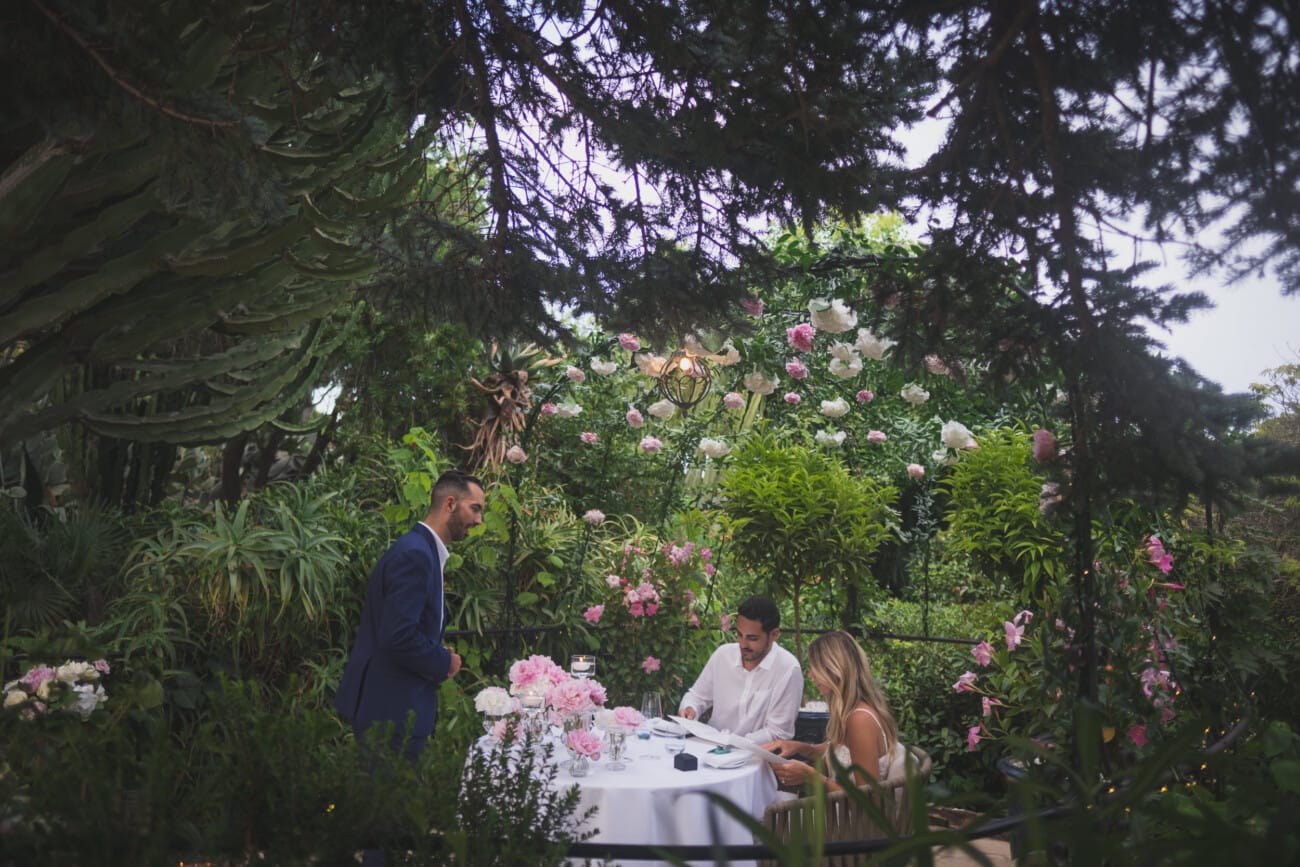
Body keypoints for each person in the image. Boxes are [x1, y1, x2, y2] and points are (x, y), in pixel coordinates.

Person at [335, 468, 485, 761]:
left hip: (391, 709)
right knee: (390, 805)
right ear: (450, 504)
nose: (479, 520)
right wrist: (444, 661)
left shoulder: (419, 549)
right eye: (475, 509)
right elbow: (398, 636)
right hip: (390, 712)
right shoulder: (416, 555)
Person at [763, 630, 903, 790]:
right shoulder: (852, 710)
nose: (810, 675)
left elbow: (869, 802)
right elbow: (842, 752)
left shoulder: (860, 720)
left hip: (850, 814)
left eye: (815, 668)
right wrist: (800, 747)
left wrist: (811, 776)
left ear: (834, 669)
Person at [678, 595, 803, 744]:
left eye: (752, 638)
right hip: (709, 748)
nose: (743, 644)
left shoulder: (788, 669)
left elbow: (779, 733)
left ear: (774, 635)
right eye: (739, 634)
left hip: (755, 760)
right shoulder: (723, 655)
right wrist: (690, 708)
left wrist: (732, 742)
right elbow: (697, 696)